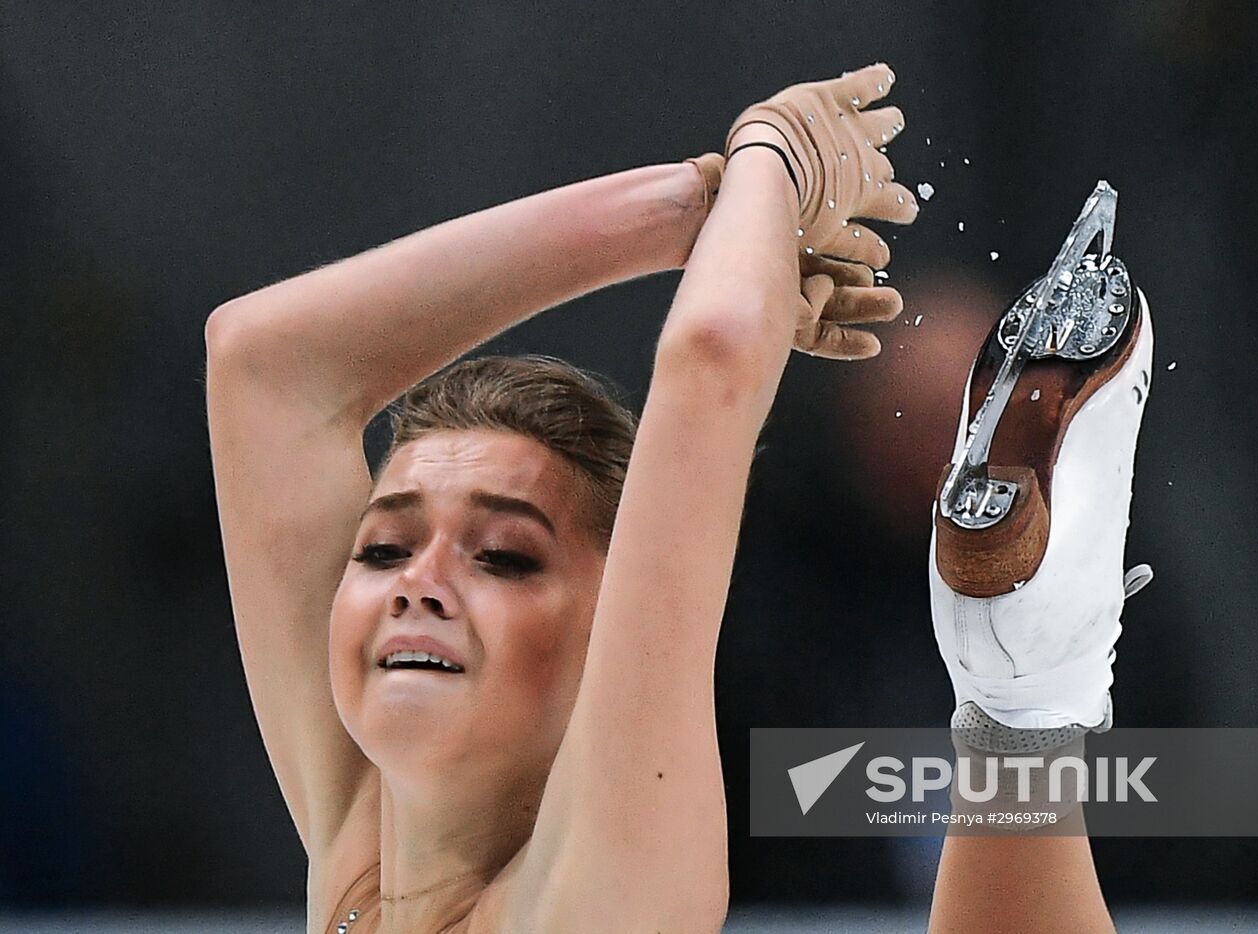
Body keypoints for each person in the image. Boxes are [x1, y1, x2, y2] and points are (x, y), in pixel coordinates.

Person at [207, 64, 915, 933]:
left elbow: (713, 358)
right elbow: (261, 364)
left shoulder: (604, 895)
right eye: (384, 550)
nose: (417, 584)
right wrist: (688, 209)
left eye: (503, 558)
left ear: (611, 629)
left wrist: (774, 157)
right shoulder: (361, 872)